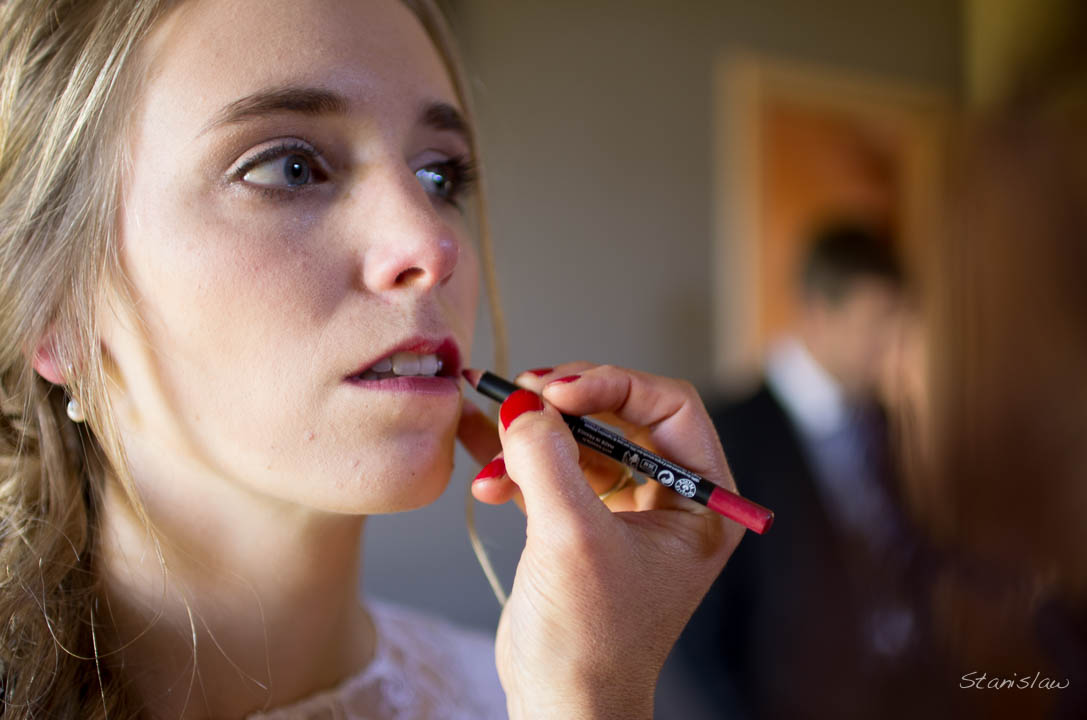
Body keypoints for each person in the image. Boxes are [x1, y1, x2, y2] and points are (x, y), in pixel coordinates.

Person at [0, 1, 741, 718]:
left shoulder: (531, 697)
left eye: (439, 176)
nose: (433, 244)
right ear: (54, 312)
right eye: (290, 168)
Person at [662, 224, 940, 718]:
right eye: (874, 322)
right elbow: (697, 624)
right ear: (817, 313)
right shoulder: (727, 430)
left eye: (897, 321)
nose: (889, 343)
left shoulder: (880, 419)